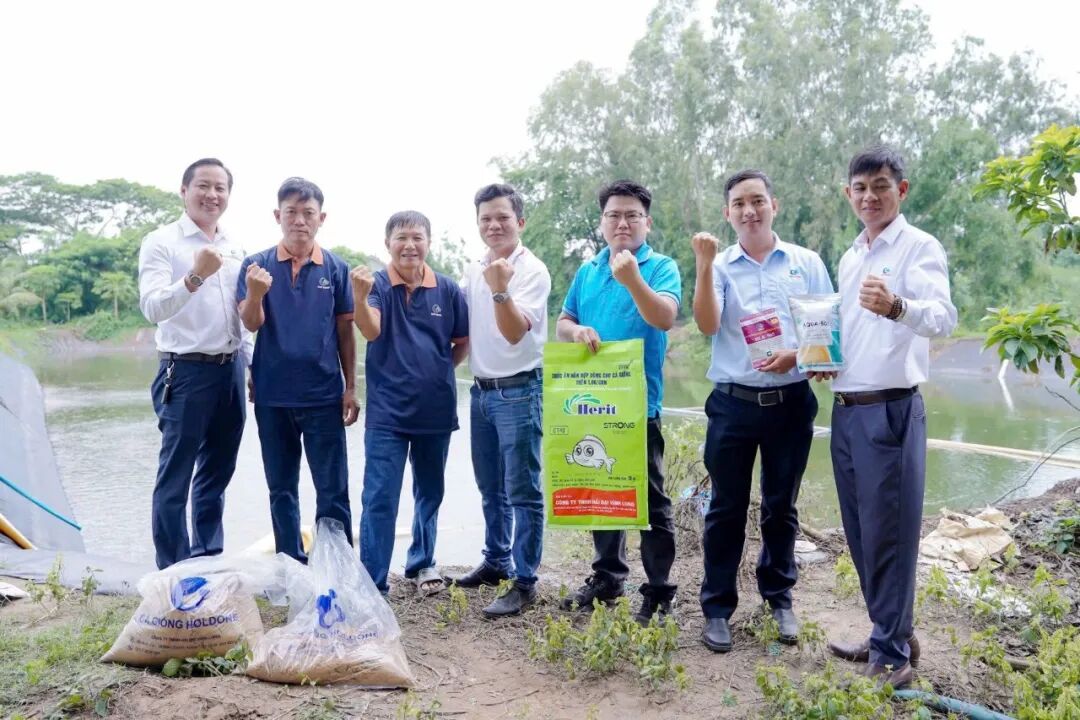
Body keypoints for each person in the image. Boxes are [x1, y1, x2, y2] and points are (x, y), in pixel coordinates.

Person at [822, 146, 957, 688]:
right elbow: (852, 333)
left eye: (880, 185)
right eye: (860, 188)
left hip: (891, 409)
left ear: (901, 190)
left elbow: (943, 317)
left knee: (890, 534)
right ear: (848, 194)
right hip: (846, 408)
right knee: (860, 531)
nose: (869, 196)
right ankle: (890, 630)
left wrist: (899, 306)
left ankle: (893, 655)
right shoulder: (851, 256)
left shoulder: (919, 246)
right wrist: (822, 359)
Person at [690, 170, 833, 653]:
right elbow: (707, 324)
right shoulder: (719, 265)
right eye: (739, 204)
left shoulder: (805, 263)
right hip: (733, 403)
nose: (749, 211)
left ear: (774, 204)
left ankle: (779, 598)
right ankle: (717, 608)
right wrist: (704, 266)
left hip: (791, 402)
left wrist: (799, 356)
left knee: (781, 506)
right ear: (727, 213)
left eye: (757, 201)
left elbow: (824, 331)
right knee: (725, 509)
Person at [556, 179, 681, 625]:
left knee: (651, 501)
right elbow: (564, 321)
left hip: (638, 406)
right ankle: (608, 577)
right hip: (593, 402)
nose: (622, 223)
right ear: (602, 222)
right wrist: (577, 331)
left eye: (632, 215)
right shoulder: (588, 271)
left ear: (647, 222)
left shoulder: (660, 266)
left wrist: (632, 279)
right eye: (614, 215)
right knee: (601, 489)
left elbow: (664, 317)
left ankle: (660, 591)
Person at [138, 158, 250, 570]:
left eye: (220, 188)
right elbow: (152, 307)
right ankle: (174, 570)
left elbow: (240, 316)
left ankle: (207, 558)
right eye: (203, 185)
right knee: (176, 477)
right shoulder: (162, 242)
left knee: (217, 472)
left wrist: (252, 366)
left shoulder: (235, 246)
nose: (212, 195)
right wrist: (195, 276)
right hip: (184, 371)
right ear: (184, 191)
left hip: (230, 369)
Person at [238, 177, 357, 564]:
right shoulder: (256, 266)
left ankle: (336, 566)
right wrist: (255, 293)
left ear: (322, 218)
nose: (300, 220)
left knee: (333, 489)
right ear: (278, 216)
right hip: (272, 396)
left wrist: (351, 387)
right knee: (281, 488)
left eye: (308, 213)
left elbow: (345, 332)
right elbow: (251, 323)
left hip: (323, 395)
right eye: (291, 212)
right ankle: (289, 565)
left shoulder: (336, 269)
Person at [351, 211, 469, 596]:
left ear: (428, 243)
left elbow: (462, 342)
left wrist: (437, 371)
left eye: (417, 237)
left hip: (435, 410)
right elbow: (371, 329)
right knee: (379, 497)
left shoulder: (447, 289)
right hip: (387, 413)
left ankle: (421, 562)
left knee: (430, 492)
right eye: (401, 238)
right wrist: (358, 296)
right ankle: (373, 582)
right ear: (388, 243)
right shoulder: (376, 284)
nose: (409, 245)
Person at [452, 183, 550, 618]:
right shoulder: (474, 267)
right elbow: (461, 327)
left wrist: (499, 289)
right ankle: (496, 560)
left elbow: (513, 332)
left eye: (503, 218)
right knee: (489, 485)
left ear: (520, 222)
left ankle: (525, 581)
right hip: (481, 390)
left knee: (523, 489)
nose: (494, 225)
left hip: (519, 391)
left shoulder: (532, 271)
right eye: (486, 219)